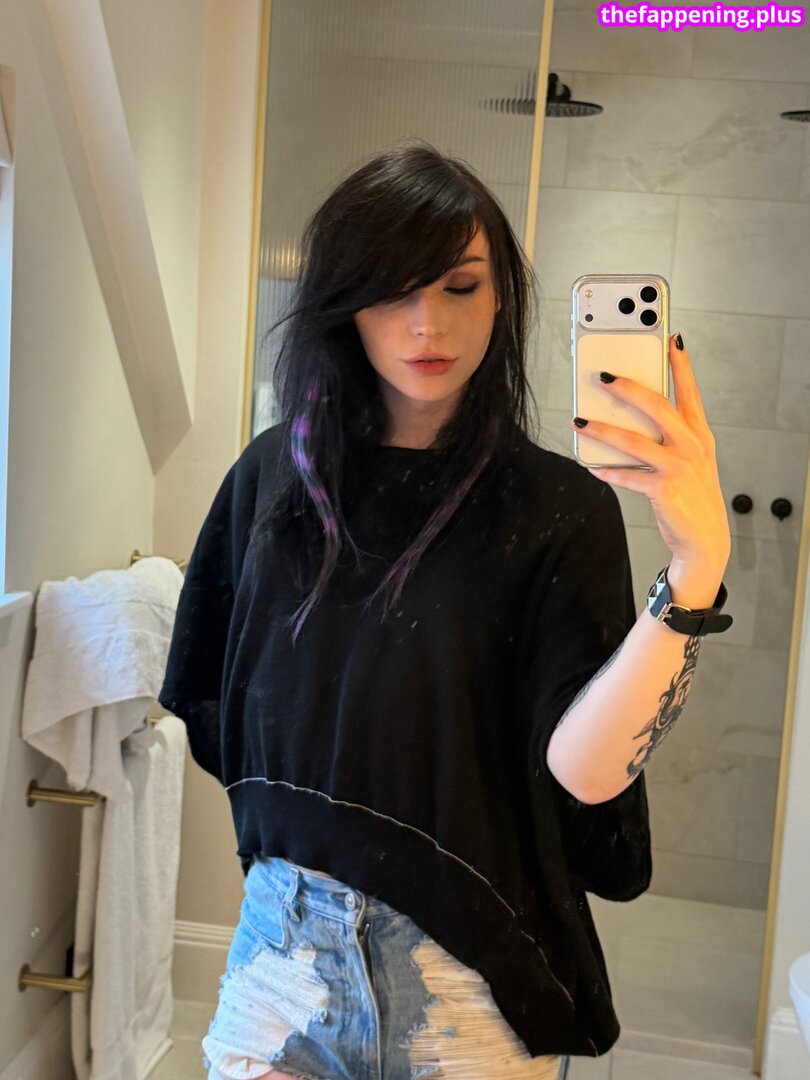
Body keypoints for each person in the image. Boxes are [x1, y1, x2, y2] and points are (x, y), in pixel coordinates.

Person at [158, 140, 655, 1080]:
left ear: (501, 297)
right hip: (283, 961)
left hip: (468, 981)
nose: (429, 324)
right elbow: (217, 698)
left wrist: (698, 565)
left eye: (462, 286)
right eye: (392, 292)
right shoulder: (272, 477)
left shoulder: (561, 509)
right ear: (344, 305)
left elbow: (586, 777)